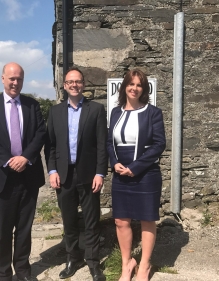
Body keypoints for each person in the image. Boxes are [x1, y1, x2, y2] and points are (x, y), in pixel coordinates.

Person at [0, 62, 46, 281]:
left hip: (28, 177)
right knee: (2, 232)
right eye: (12, 78)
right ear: (3, 79)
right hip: (1, 179)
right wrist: (8, 160)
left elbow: (40, 133)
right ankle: (3, 274)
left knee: (24, 230)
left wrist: (25, 157)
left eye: (19, 79)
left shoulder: (32, 105)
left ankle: (23, 271)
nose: (15, 83)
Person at [45, 67, 108, 281]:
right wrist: (52, 170)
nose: (74, 85)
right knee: (69, 220)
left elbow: (102, 145)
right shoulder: (55, 112)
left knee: (91, 221)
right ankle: (73, 258)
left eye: (78, 81)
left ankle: (93, 262)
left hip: (89, 175)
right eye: (70, 81)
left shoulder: (96, 110)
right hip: (63, 176)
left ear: (83, 84)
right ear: (64, 85)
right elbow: (50, 145)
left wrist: (100, 173)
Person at [106, 69, 166, 281]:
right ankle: (127, 264)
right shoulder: (115, 112)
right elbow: (109, 142)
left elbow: (159, 144)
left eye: (139, 85)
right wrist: (115, 163)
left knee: (147, 220)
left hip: (146, 174)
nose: (134, 88)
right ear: (124, 87)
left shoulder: (153, 113)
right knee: (121, 221)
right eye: (131, 84)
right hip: (120, 173)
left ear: (144, 89)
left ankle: (144, 266)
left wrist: (136, 166)